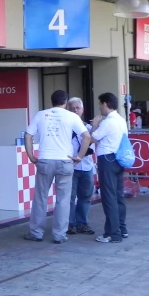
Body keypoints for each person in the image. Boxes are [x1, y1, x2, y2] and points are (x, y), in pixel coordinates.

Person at [23, 90, 91, 244]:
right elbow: (86, 136)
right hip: (65, 161)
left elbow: (28, 135)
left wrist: (31, 156)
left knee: (40, 198)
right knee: (63, 200)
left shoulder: (41, 114)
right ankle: (59, 235)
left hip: (45, 160)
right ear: (65, 101)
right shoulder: (72, 116)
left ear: (51, 101)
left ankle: (36, 233)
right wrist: (79, 156)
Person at [91, 93, 129, 243]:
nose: (99, 107)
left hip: (107, 160)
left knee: (109, 197)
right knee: (118, 195)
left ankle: (112, 233)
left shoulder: (108, 122)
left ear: (105, 104)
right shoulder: (121, 120)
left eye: (100, 104)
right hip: (119, 160)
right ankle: (121, 228)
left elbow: (93, 138)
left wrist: (94, 125)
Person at [66, 98, 96, 236]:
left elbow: (93, 141)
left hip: (87, 167)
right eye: (71, 108)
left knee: (85, 197)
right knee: (70, 198)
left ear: (82, 110)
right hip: (71, 167)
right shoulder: (65, 128)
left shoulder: (89, 128)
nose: (75, 111)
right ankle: (70, 224)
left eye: (77, 108)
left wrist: (95, 126)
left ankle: (83, 223)